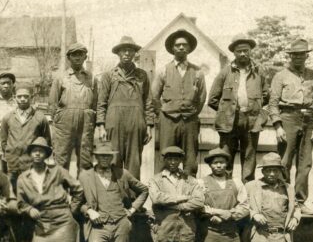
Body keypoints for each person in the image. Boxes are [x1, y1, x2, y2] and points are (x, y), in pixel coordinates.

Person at [268, 38, 313, 214]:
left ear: (306, 56)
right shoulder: (280, 76)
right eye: (295, 55)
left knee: (305, 162)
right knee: (284, 161)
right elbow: (272, 103)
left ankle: (299, 201)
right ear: (290, 56)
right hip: (288, 118)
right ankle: (284, 200)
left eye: (302, 54)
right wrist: (278, 126)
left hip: (309, 120)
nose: (298, 57)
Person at [207, 35, 268, 182]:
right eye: (239, 51)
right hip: (229, 122)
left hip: (252, 122)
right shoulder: (225, 72)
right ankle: (226, 190)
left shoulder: (259, 71)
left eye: (245, 50)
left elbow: (266, 95)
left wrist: (254, 109)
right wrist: (227, 111)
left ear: (250, 52)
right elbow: (213, 99)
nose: (242, 54)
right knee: (226, 156)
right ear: (234, 52)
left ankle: (247, 193)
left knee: (249, 157)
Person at [96, 36, 155, 178]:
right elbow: (101, 102)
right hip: (114, 124)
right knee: (113, 161)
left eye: (130, 50)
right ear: (118, 53)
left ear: (135, 54)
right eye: (123, 50)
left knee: (134, 164)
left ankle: (133, 199)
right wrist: (101, 127)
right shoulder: (108, 76)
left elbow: (148, 101)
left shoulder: (142, 75)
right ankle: (114, 197)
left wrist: (149, 126)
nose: (127, 53)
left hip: (136, 124)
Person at [151, 30, 207, 175]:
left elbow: (201, 97)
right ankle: (165, 190)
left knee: (190, 158)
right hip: (168, 120)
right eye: (178, 45)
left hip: (190, 121)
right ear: (172, 48)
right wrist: (163, 113)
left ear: (189, 48)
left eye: (184, 45)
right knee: (166, 155)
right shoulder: (163, 70)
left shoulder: (197, 72)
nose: (181, 47)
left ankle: (190, 191)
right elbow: (154, 97)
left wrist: (192, 112)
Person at [49, 42, 96, 174]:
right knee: (61, 159)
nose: (77, 57)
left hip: (86, 123)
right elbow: (52, 103)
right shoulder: (60, 77)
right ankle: (61, 193)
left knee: (85, 160)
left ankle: (84, 193)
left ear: (85, 57)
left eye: (80, 54)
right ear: (68, 57)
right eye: (74, 54)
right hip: (64, 124)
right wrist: (59, 122)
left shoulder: (91, 78)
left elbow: (95, 102)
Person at [0, 84, 51, 187]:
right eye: (19, 96)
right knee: (12, 192)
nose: (22, 99)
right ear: (15, 98)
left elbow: (46, 141)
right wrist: (11, 153)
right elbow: (4, 141)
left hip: (31, 163)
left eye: (26, 96)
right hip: (12, 163)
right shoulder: (8, 117)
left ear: (31, 97)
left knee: (31, 191)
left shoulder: (40, 117)